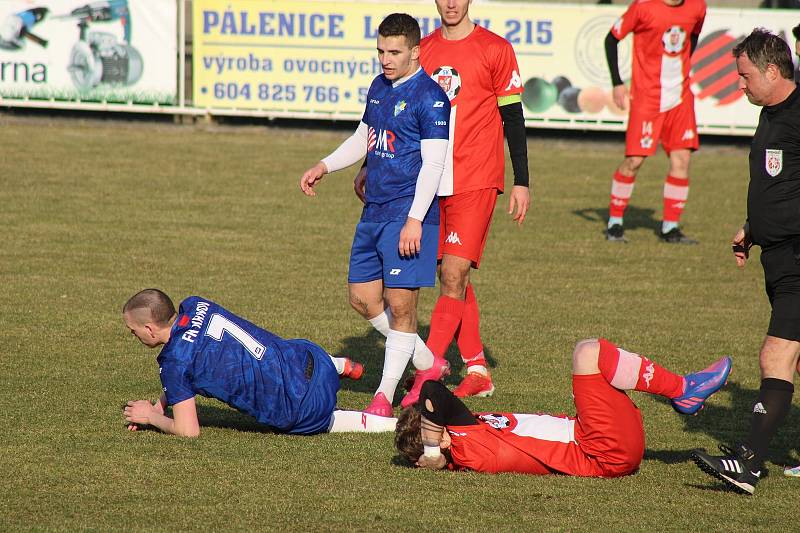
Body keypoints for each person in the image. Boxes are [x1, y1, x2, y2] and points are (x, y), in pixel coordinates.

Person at [355, 0, 532, 404]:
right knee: (450, 277)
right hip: (427, 181)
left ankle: (426, 376)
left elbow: (514, 118)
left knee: (453, 275)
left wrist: (522, 180)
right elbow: (392, 115)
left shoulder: (496, 49)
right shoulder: (423, 48)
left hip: (476, 178)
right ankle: (476, 369)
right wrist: (369, 161)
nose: (451, 3)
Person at [299, 14, 451, 417]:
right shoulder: (379, 87)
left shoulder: (432, 98)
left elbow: (434, 165)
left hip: (408, 214)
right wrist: (325, 166)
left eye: (394, 52)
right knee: (362, 298)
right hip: (373, 211)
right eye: (381, 51)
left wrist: (415, 220)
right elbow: (363, 137)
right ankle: (427, 363)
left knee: (401, 307)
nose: (385, 59)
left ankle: (383, 395)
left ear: (416, 51)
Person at [690, 29, 800, 495]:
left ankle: (749, 465)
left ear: (773, 71)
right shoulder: (771, 115)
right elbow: (779, 185)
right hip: (776, 255)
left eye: (745, 76)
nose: (740, 85)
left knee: (775, 354)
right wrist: (752, 228)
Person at [395, 338, 731, 476]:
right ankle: (683, 391)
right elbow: (434, 393)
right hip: (603, 449)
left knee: (597, 361)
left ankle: (681, 390)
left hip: (597, 439)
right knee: (588, 353)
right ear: (438, 437)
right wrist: (431, 451)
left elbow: (429, 399)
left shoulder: (465, 435)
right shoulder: (467, 444)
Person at [121, 289, 398, 436]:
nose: (133, 335)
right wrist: (163, 401)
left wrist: (151, 416)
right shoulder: (195, 304)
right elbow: (193, 355)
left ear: (149, 328)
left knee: (309, 419)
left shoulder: (173, 364)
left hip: (305, 407)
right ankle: (337, 365)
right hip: (312, 357)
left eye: (133, 330)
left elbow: (188, 430)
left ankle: (385, 424)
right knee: (285, 348)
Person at [603, 0, 706, 244]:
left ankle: (670, 228)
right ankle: (615, 223)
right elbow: (611, 39)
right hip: (647, 98)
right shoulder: (643, 7)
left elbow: (693, 35)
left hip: (680, 98)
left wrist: (684, 66)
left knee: (682, 159)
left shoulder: (698, 6)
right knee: (634, 161)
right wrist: (617, 82)